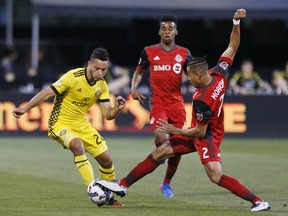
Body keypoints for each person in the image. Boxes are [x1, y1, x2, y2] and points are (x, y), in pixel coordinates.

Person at [118, 9, 270, 211]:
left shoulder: (201, 101)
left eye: (189, 75)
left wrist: (176, 131)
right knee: (160, 151)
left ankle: (257, 201)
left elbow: (199, 132)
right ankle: (122, 185)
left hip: (208, 136)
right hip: (201, 130)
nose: (187, 78)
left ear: (199, 76)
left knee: (215, 175)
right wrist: (235, 22)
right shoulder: (220, 74)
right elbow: (233, 45)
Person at [12, 47, 126, 207]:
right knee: (77, 145)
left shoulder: (102, 85)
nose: (100, 73)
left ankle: (106, 195)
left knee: (107, 160)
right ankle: (93, 189)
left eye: (104, 69)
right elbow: (46, 93)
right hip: (60, 123)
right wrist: (25, 109)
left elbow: (108, 115)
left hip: (81, 124)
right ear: (89, 64)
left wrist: (117, 109)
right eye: (97, 68)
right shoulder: (73, 77)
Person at [130, 14, 193, 198]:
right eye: (164, 29)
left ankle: (166, 183)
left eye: (170, 29)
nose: (167, 32)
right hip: (158, 103)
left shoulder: (184, 53)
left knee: (178, 146)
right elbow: (139, 72)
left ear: (176, 31)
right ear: (159, 31)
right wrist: (133, 87)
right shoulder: (148, 51)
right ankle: (160, 148)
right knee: (161, 137)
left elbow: (193, 74)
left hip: (177, 105)